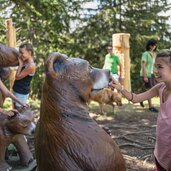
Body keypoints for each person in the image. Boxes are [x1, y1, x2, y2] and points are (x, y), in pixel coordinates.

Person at [109, 49, 171, 171]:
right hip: (160, 153)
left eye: (159, 67)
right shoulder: (160, 88)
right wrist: (120, 87)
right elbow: (136, 99)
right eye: (155, 67)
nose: (155, 71)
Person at [12, 43, 36, 111]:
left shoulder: (31, 66)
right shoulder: (25, 61)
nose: (20, 55)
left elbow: (17, 77)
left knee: (19, 113)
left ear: (29, 52)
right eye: (20, 52)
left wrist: (20, 65)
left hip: (21, 93)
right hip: (16, 89)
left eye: (22, 53)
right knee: (14, 110)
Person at [140, 39, 158, 112]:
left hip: (152, 74)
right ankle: (151, 107)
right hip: (146, 74)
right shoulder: (145, 54)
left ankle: (141, 98)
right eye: (153, 45)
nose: (154, 46)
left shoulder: (154, 54)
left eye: (155, 45)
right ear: (149, 45)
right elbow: (143, 66)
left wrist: (157, 74)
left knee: (153, 90)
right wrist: (145, 76)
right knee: (150, 90)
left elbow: (154, 66)